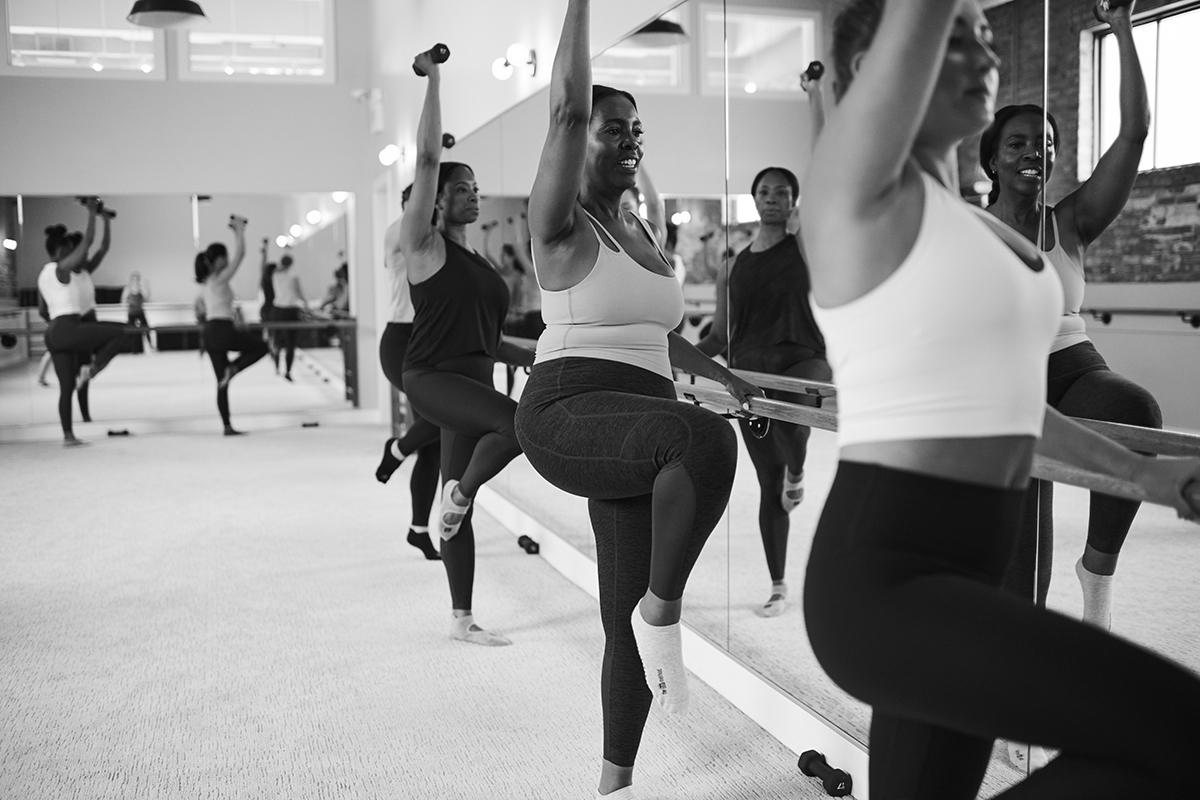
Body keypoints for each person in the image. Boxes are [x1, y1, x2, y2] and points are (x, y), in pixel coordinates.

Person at [799, 1, 1200, 797]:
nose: (984, 53)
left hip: (970, 569)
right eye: (952, 35)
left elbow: (1017, 408)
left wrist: (1147, 477)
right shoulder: (858, 195)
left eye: (987, 37)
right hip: (887, 580)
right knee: (1177, 734)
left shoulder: (976, 228)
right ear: (868, 75)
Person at [513, 1, 761, 796]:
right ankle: (665, 612)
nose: (629, 138)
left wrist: (721, 376)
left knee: (620, 615)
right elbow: (564, 103)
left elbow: (653, 337)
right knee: (706, 442)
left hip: (637, 421)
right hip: (567, 410)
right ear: (579, 135)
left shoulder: (639, 230)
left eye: (636, 129)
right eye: (611, 126)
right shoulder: (562, 223)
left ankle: (613, 781)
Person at [981, 1, 1158, 633]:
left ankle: (1099, 574)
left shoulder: (1072, 222)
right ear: (993, 159)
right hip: (1002, 385)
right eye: (1020, 142)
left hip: (1071, 365)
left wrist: (1121, 28)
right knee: (1024, 557)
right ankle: (1020, 674)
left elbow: (1135, 133)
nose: (1036, 152)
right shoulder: (964, 227)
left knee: (1136, 414)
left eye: (1047, 143)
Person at [399, 49, 535, 646]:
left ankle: (462, 620)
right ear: (435, 200)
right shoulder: (424, 247)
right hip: (431, 377)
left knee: (459, 511)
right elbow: (428, 155)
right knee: (517, 425)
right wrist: (435, 81)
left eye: (476, 188)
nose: (473, 195)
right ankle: (458, 491)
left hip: (471, 380)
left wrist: (528, 354)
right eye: (461, 188)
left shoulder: (477, 261)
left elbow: (482, 337)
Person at [696, 165, 830, 618]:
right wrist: (680, 357)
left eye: (783, 192)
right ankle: (777, 585)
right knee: (767, 483)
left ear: (793, 201)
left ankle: (798, 467)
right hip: (749, 370)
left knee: (791, 420)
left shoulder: (806, 247)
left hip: (803, 359)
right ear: (754, 200)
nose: (773, 198)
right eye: (765, 192)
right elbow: (719, 334)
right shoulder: (732, 266)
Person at [375, 183, 444, 562]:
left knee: (432, 445)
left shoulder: (438, 237)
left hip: (429, 340)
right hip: (401, 341)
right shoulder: (397, 232)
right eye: (417, 202)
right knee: (436, 417)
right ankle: (398, 448)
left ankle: (418, 529)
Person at [36, 200, 128, 445]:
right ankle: (92, 368)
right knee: (122, 332)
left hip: (54, 332)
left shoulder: (43, 274)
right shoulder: (60, 268)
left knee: (66, 387)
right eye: (69, 250)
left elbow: (43, 310)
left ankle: (68, 436)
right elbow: (87, 243)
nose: (74, 254)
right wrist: (90, 213)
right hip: (69, 327)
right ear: (59, 252)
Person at [194, 216, 270, 436]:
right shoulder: (219, 278)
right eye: (224, 256)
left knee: (221, 382)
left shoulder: (207, 282)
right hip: (222, 329)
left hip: (210, 333)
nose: (228, 259)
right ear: (218, 260)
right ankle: (233, 368)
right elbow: (242, 254)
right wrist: (239, 231)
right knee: (262, 347)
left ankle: (227, 426)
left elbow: (199, 307)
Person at [271, 253, 306, 381]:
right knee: (290, 343)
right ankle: (288, 370)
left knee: (277, 340)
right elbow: (299, 293)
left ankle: (276, 366)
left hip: (278, 310)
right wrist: (306, 305)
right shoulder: (293, 276)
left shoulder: (275, 275)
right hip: (290, 310)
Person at [258, 240, 280, 372]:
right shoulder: (277, 282)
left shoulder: (264, 281)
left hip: (265, 310)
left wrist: (264, 251)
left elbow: (262, 266)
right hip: (274, 310)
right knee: (275, 336)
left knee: (271, 336)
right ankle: (275, 359)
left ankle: (272, 350)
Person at [122, 271, 153, 352]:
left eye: (137, 279)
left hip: (140, 312)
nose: (135, 280)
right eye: (134, 278)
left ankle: (151, 346)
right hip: (131, 313)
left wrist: (147, 287)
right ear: (131, 279)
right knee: (130, 330)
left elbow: (147, 298)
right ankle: (131, 348)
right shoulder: (128, 288)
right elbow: (123, 300)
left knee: (146, 328)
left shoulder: (141, 288)